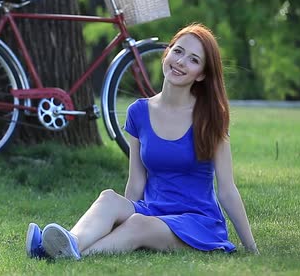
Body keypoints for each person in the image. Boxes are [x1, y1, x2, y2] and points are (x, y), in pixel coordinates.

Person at [25, 23, 258, 260]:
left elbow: (227, 190)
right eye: (178, 51)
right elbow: (136, 182)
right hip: (152, 211)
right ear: (166, 52)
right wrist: (117, 218)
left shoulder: (211, 116)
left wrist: (251, 248)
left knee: (138, 224)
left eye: (193, 60)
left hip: (196, 221)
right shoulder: (138, 112)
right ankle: (72, 241)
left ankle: (58, 254)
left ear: (202, 74)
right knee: (109, 198)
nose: (180, 61)